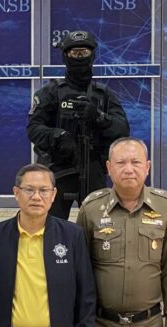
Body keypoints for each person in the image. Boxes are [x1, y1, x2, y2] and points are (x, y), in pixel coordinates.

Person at [0, 163, 96, 327]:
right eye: (29, 190)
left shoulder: (72, 235)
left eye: (44, 190)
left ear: (53, 194)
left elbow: (86, 293)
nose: (36, 197)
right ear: (16, 193)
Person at [27, 30, 129, 220]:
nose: (80, 57)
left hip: (93, 170)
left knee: (100, 227)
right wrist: (57, 136)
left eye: (84, 52)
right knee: (53, 227)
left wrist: (99, 117)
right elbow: (33, 128)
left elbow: (122, 129)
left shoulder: (103, 94)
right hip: (58, 169)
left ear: (92, 55)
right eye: (75, 53)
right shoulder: (50, 93)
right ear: (65, 56)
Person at [77, 137, 167, 327]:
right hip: (101, 326)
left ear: (147, 167)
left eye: (136, 162)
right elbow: (81, 270)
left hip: (150, 326)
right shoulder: (91, 208)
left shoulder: (164, 207)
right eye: (121, 163)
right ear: (109, 167)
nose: (128, 169)